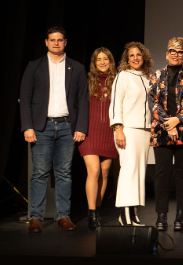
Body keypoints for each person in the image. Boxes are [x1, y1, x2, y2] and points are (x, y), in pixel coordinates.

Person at [19, 26, 88, 233]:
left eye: (60, 40)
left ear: (65, 42)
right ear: (46, 42)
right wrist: (27, 126)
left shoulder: (76, 67)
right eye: (52, 40)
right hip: (42, 127)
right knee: (39, 173)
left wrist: (81, 127)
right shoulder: (34, 66)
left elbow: (83, 100)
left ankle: (63, 216)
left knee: (64, 173)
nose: (56, 43)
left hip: (67, 127)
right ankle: (36, 218)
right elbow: (25, 99)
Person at [148, 37, 183, 231]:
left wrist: (178, 120)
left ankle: (180, 216)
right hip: (161, 132)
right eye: (173, 51)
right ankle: (161, 216)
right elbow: (153, 102)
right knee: (162, 174)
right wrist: (169, 124)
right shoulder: (156, 75)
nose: (176, 55)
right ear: (166, 53)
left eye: (180, 52)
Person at [110, 42, 154, 226]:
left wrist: (152, 130)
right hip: (127, 129)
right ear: (126, 60)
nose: (136, 58)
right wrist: (118, 128)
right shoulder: (123, 76)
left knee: (139, 173)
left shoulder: (147, 78)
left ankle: (134, 213)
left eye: (138, 54)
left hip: (144, 131)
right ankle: (125, 214)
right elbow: (115, 103)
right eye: (132, 55)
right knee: (129, 171)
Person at [78, 47, 118, 231]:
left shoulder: (118, 81)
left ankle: (98, 210)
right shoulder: (86, 80)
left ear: (111, 61)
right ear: (94, 63)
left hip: (109, 133)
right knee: (93, 171)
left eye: (106, 59)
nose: (102, 62)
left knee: (104, 173)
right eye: (98, 60)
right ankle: (91, 214)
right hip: (89, 132)